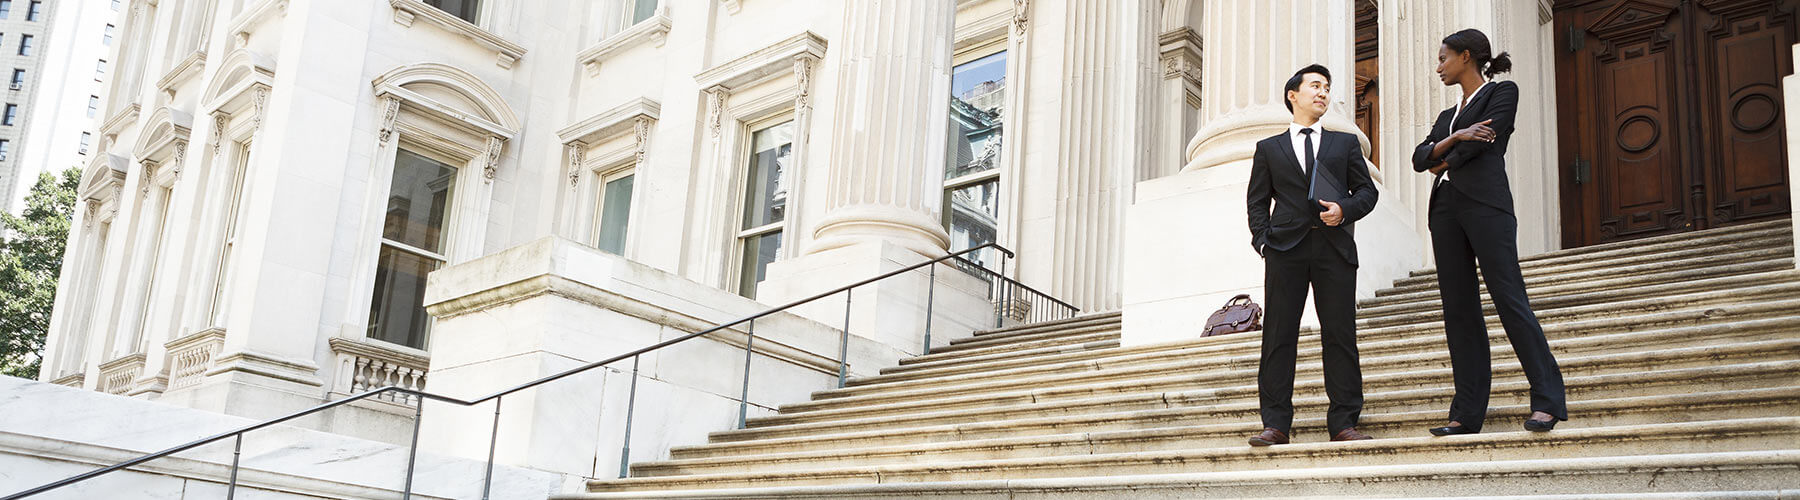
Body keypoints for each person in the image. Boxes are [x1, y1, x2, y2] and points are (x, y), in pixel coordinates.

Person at [1411, 28, 1568, 436]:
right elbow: (1418, 159)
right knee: (1458, 310)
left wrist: (1444, 153)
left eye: (1443, 58)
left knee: (1509, 297)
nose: (1439, 66)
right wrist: (1458, 135)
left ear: (1465, 56)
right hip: (1444, 210)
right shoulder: (1449, 117)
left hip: (1486, 205)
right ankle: (1466, 413)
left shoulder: (1503, 93)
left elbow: (1482, 145)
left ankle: (1548, 400)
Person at [1244, 64, 1379, 446]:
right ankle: (1275, 424)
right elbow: (1256, 202)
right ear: (1293, 95)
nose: (1322, 93)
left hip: (1333, 249)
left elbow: (1367, 192)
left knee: (1340, 335)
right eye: (1315, 86)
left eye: (1326, 87)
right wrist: (1263, 241)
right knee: (1278, 337)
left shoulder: (1344, 144)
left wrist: (1345, 211)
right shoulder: (1268, 149)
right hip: (1285, 250)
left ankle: (1343, 422)